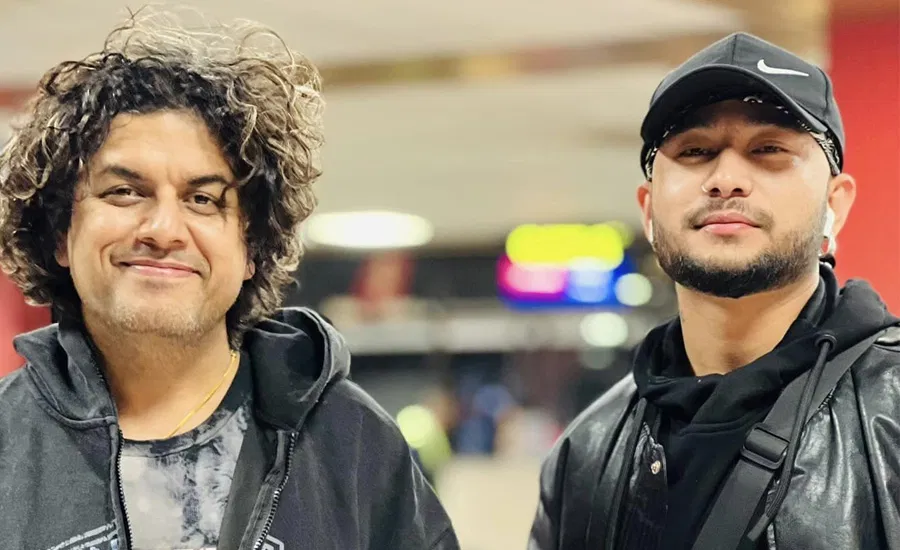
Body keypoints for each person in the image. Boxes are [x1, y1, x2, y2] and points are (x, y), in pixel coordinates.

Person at [0, 10, 459, 550]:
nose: (164, 229)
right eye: (124, 192)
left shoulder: (351, 445)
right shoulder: (7, 444)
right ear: (60, 234)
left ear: (250, 249)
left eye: (202, 199)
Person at [528, 32, 900, 550]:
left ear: (834, 206)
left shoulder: (889, 415)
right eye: (695, 151)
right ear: (649, 211)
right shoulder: (587, 451)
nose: (726, 178)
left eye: (768, 149)